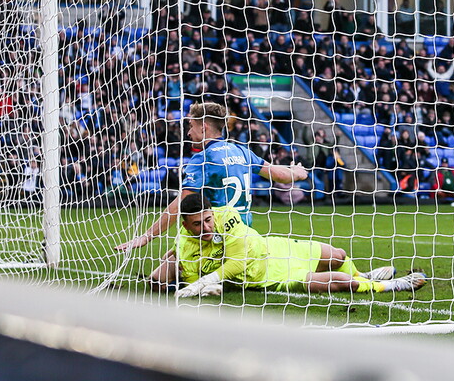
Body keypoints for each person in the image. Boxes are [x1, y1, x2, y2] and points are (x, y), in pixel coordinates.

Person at [116, 102, 307, 252]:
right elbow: (280, 175)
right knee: (170, 258)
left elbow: (180, 204)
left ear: (204, 127)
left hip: (215, 239)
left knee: (161, 278)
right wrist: (296, 173)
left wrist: (147, 236)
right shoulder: (241, 150)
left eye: (191, 126)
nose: (189, 132)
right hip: (245, 236)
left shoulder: (203, 159)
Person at [171, 195, 427, 298]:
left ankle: (363, 275)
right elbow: (193, 282)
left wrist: (204, 282)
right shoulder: (184, 246)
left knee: (338, 256)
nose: (206, 228)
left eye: (207, 220)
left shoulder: (226, 216)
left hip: (276, 249)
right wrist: (204, 288)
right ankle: (392, 285)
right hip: (271, 276)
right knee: (341, 283)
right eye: (197, 224)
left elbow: (236, 261)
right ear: (185, 224)